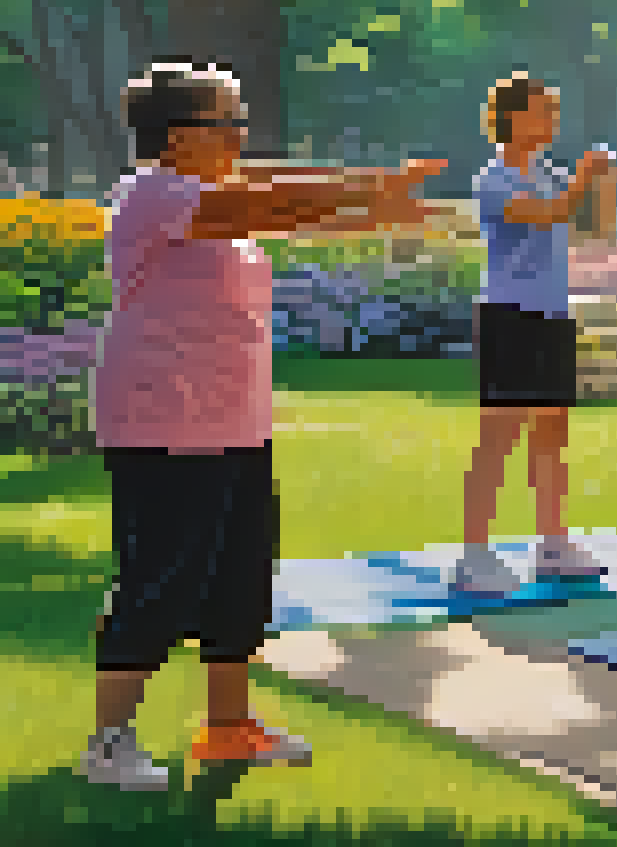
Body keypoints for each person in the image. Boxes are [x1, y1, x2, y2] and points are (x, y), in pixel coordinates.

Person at [82, 58, 443, 789]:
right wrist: (367, 188)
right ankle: (108, 743)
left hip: (233, 420)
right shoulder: (152, 195)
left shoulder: (208, 190)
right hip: (164, 421)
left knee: (238, 579)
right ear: (180, 138)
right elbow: (272, 202)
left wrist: (370, 207)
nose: (243, 134)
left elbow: (271, 188)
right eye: (229, 121)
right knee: (160, 578)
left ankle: (227, 728)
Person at [451, 74, 615, 597]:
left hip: (551, 313)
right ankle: (474, 554)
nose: (552, 122)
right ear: (513, 118)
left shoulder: (549, 172)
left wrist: (601, 183)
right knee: (499, 433)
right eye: (543, 112)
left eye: (554, 112)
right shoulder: (494, 178)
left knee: (552, 430)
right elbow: (552, 214)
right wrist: (584, 178)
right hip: (508, 314)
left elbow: (595, 231)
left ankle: (553, 545)